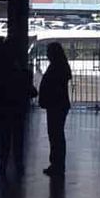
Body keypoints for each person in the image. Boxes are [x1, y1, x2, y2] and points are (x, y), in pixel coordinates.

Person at [0, 52, 36, 179]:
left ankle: (3, 164)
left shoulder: (3, 76)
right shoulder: (25, 75)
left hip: (6, 111)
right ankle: (18, 163)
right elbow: (33, 92)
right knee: (18, 139)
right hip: (19, 111)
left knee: (5, 139)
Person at [38, 41, 72, 178]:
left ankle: (56, 164)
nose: (47, 55)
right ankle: (58, 164)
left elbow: (52, 85)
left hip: (55, 105)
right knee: (57, 135)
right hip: (59, 104)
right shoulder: (61, 66)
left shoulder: (56, 68)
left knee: (55, 135)